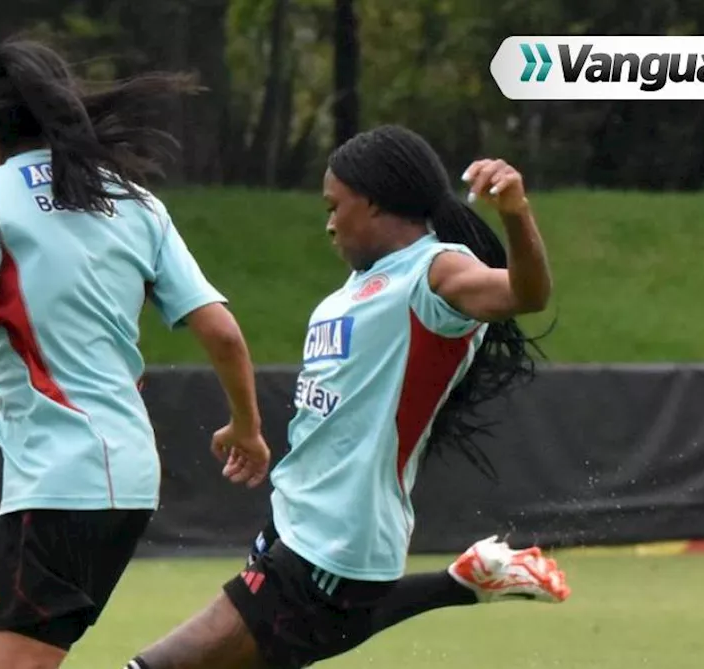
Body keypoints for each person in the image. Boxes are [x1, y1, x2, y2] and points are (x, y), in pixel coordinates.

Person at [0, 40, 272, 669]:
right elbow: (223, 333)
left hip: (66, 485)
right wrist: (247, 428)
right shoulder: (134, 201)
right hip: (121, 477)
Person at [123, 125, 567, 669]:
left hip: (332, 544)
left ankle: (464, 581)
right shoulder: (356, 288)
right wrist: (250, 431)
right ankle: (464, 580)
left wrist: (516, 213)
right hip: (294, 525)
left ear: (375, 202)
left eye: (335, 206)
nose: (329, 223)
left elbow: (526, 293)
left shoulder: (434, 271)